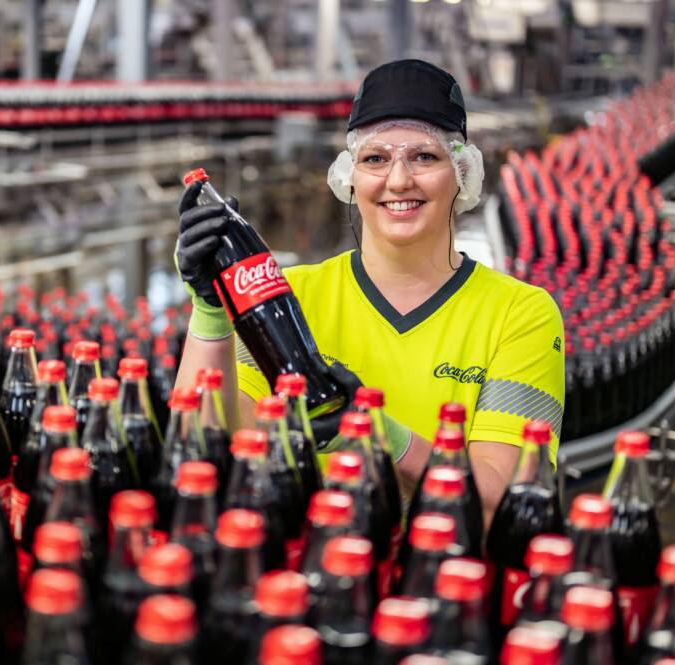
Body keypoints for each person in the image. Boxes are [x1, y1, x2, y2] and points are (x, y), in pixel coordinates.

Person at [172, 59, 564, 528]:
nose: (398, 181)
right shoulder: (288, 294)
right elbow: (203, 443)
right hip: (313, 577)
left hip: (446, 585)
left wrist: (378, 434)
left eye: (425, 156)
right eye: (375, 158)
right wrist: (211, 310)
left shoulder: (519, 315)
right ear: (349, 177)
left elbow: (505, 502)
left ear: (462, 172)